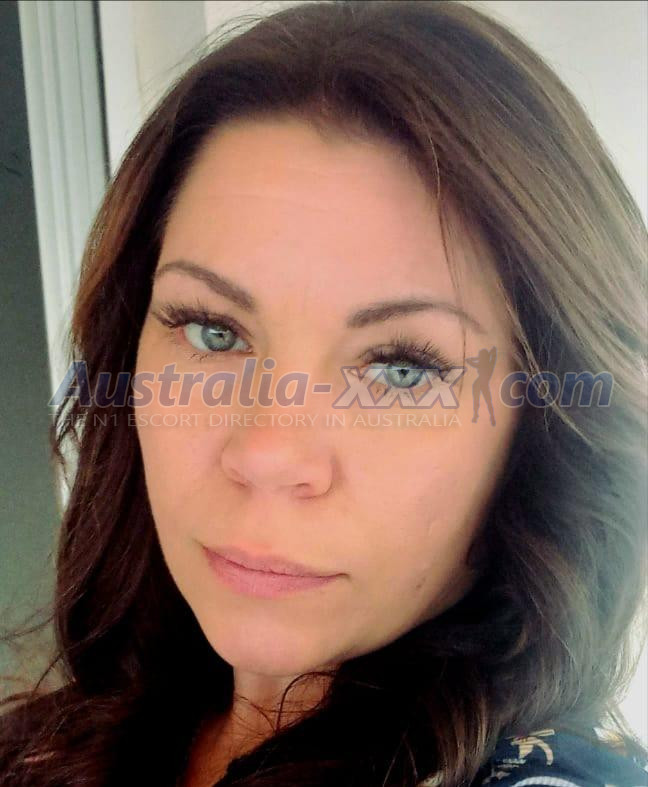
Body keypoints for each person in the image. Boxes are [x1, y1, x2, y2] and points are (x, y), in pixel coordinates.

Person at [1, 2, 647, 785]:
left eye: (401, 367)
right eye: (213, 331)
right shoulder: (49, 740)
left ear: (539, 432)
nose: (267, 453)